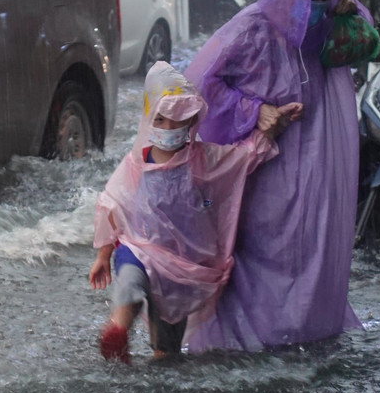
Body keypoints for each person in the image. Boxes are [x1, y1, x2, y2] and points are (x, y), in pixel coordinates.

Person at [180, 0, 370, 353]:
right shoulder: (249, 30)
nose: (316, 4)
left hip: (317, 167)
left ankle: (306, 330)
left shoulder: (327, 31)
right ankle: (252, 339)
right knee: (262, 249)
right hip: (264, 171)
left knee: (313, 247)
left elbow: (366, 35)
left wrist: (347, 7)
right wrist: (253, 110)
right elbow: (195, 89)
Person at [89, 62, 301, 363]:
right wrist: (103, 256)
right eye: (160, 120)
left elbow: (242, 158)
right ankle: (118, 331)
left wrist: (274, 126)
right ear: (150, 121)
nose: (168, 129)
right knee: (130, 284)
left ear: (192, 124)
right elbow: (112, 204)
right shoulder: (137, 162)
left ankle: (161, 365)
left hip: (182, 264)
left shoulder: (202, 160)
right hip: (140, 246)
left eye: (177, 122)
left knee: (168, 346)